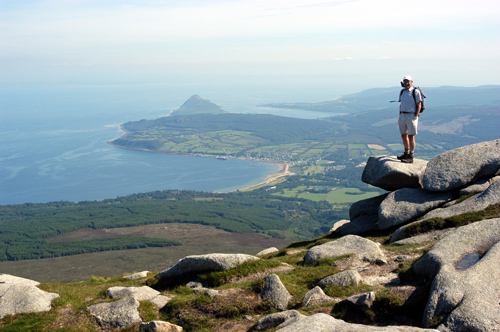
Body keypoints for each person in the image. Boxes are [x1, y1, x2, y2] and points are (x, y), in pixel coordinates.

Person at [397, 75, 422, 163]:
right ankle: (406, 152)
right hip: (403, 115)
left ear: (412, 82)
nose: (407, 83)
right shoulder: (402, 92)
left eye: (408, 81)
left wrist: (416, 116)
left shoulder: (415, 92)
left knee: (411, 136)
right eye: (405, 81)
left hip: (411, 116)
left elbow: (419, 104)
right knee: (403, 135)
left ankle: (411, 155)